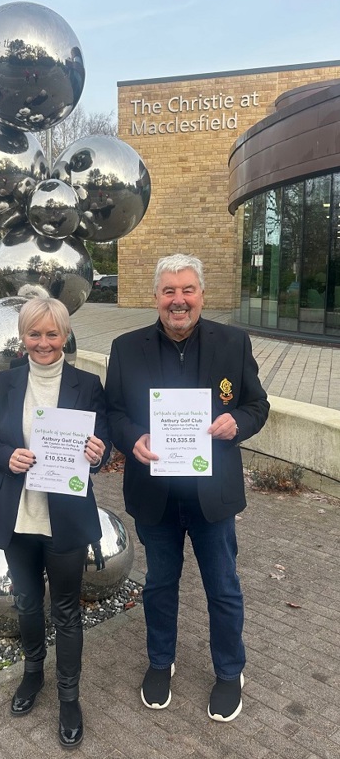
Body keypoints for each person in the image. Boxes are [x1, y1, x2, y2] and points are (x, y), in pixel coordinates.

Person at [105, 254, 269, 722]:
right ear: (156, 297)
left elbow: (258, 405)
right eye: (169, 291)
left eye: (187, 290)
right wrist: (132, 437)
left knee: (223, 587)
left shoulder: (233, 343)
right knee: (159, 584)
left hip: (211, 495)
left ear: (201, 294)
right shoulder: (126, 347)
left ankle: (230, 671)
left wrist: (235, 421)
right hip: (155, 493)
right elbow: (114, 410)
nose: (179, 300)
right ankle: (161, 662)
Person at [0, 296, 110, 748]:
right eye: (35, 333)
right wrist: (4, 455)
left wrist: (98, 454)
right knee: (28, 605)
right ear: (23, 337)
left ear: (65, 335)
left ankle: (69, 695)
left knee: (67, 611)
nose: (44, 342)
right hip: (19, 516)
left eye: (52, 334)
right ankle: (33, 673)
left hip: (65, 519)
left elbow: (103, 444)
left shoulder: (87, 384)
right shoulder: (5, 384)